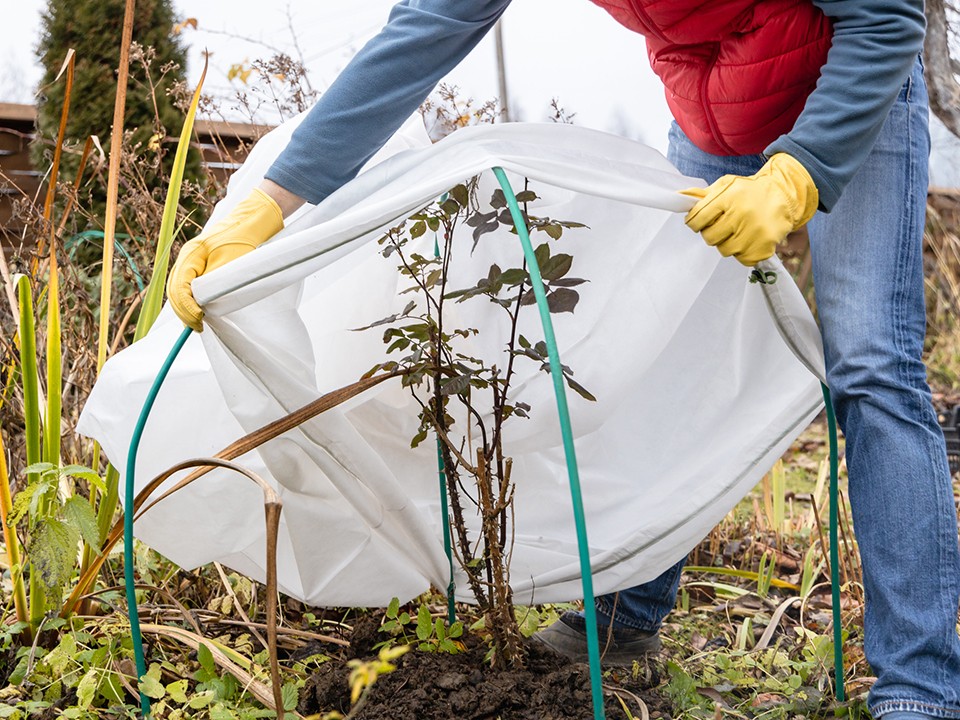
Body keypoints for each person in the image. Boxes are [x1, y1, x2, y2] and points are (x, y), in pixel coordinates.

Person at [168, 2, 960, 718]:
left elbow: (885, 16)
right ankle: (624, 620)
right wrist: (266, 205)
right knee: (661, 354)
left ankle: (919, 684)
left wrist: (801, 173)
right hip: (712, 109)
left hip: (848, 83)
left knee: (870, 367)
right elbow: (423, 32)